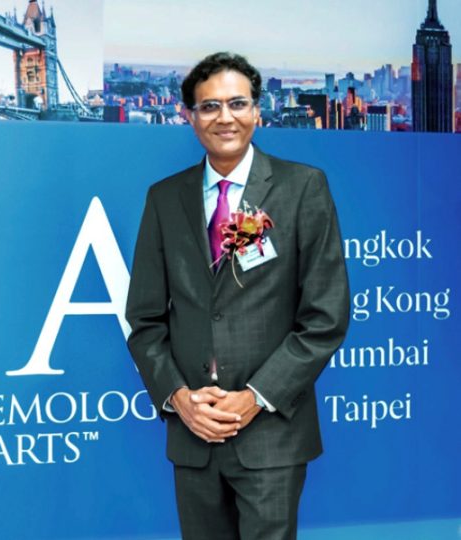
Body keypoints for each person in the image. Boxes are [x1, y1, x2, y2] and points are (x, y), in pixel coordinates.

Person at [125, 52, 350, 540]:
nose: (224, 117)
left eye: (237, 103)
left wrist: (256, 397)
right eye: (209, 106)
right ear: (189, 117)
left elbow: (325, 317)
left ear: (257, 111)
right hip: (194, 435)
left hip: (271, 437)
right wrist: (180, 399)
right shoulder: (164, 198)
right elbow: (144, 321)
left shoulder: (303, 188)